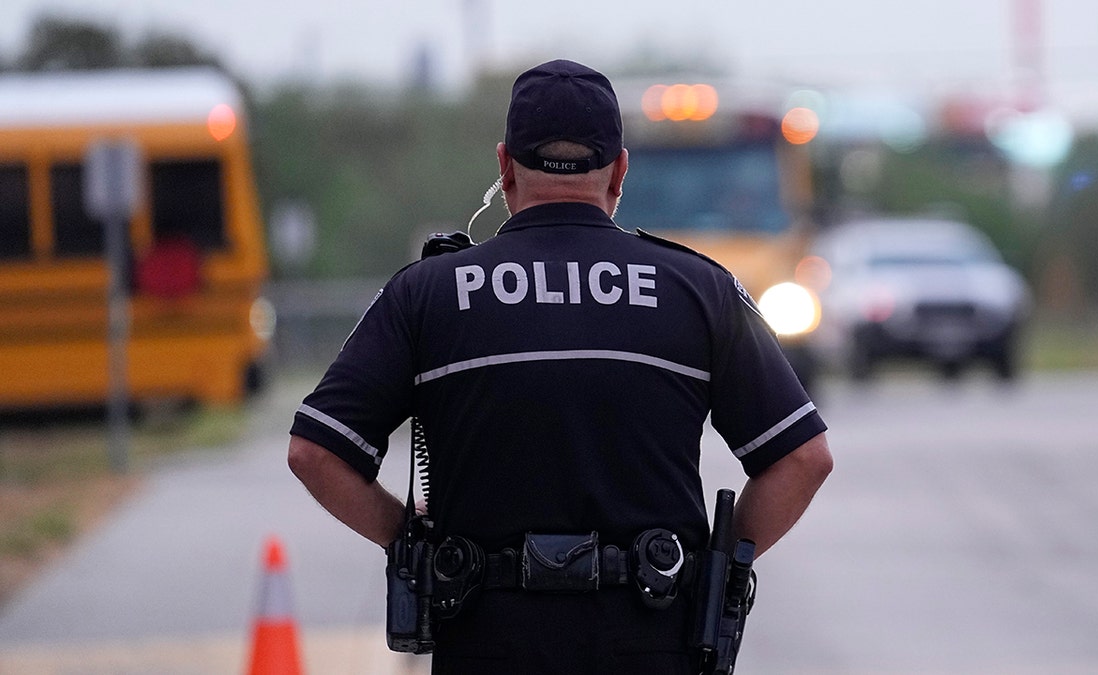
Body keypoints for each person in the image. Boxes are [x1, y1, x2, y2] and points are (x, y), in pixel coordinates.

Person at [288, 59, 833, 674]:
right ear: (621, 171)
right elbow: (803, 458)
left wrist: (409, 542)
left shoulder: (428, 294)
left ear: (504, 166)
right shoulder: (697, 289)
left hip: (486, 642)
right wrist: (714, 571)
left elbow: (315, 451)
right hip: (650, 642)